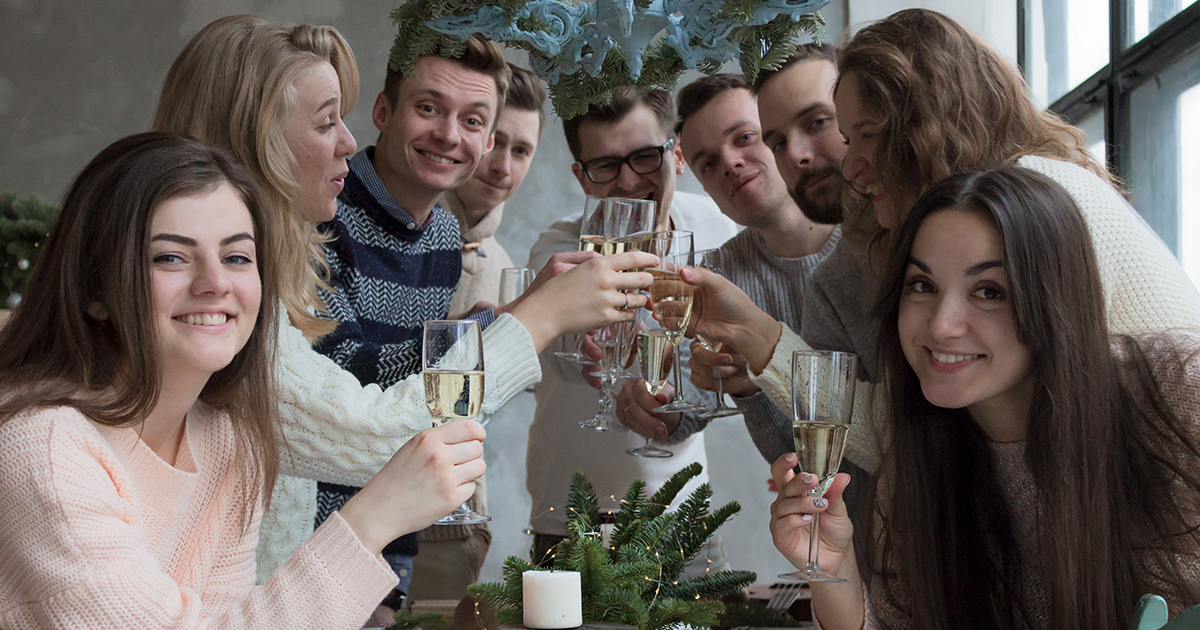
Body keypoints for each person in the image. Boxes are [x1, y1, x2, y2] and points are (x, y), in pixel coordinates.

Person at [152, 15, 656, 597]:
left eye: (473, 122)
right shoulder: (267, 273)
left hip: (323, 569)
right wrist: (530, 322)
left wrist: (510, 321)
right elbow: (369, 421)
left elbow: (387, 407)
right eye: (326, 122)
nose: (347, 140)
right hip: (297, 574)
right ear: (255, 140)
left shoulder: (437, 235)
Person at [0, 132, 486, 629]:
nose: (215, 282)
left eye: (236, 257)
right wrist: (375, 517)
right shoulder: (45, 449)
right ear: (94, 290)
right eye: (169, 256)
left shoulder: (227, 440)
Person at [687, 9, 1200, 474]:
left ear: (929, 123)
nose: (851, 164)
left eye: (865, 135)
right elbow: (910, 433)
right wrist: (759, 344)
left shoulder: (1039, 202)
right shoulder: (936, 235)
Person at [768, 166, 1200, 630]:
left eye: (989, 291)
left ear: (1054, 299)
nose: (940, 325)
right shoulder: (918, 463)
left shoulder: (1177, 390)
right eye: (922, 285)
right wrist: (835, 568)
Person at [526, 86, 738, 568]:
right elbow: (561, 353)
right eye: (605, 165)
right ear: (582, 177)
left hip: (687, 521)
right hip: (573, 525)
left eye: (644, 156)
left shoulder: (718, 228)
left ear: (677, 155)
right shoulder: (558, 247)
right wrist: (590, 355)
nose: (627, 181)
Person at [614, 70, 839, 465]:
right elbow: (687, 410)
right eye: (708, 163)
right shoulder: (719, 276)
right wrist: (656, 402)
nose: (731, 163)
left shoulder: (876, 237)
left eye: (745, 138)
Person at [408, 62, 549, 603]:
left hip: (459, 511)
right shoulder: (407, 229)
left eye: (522, 150)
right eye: (496, 141)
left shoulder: (502, 261)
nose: (503, 164)